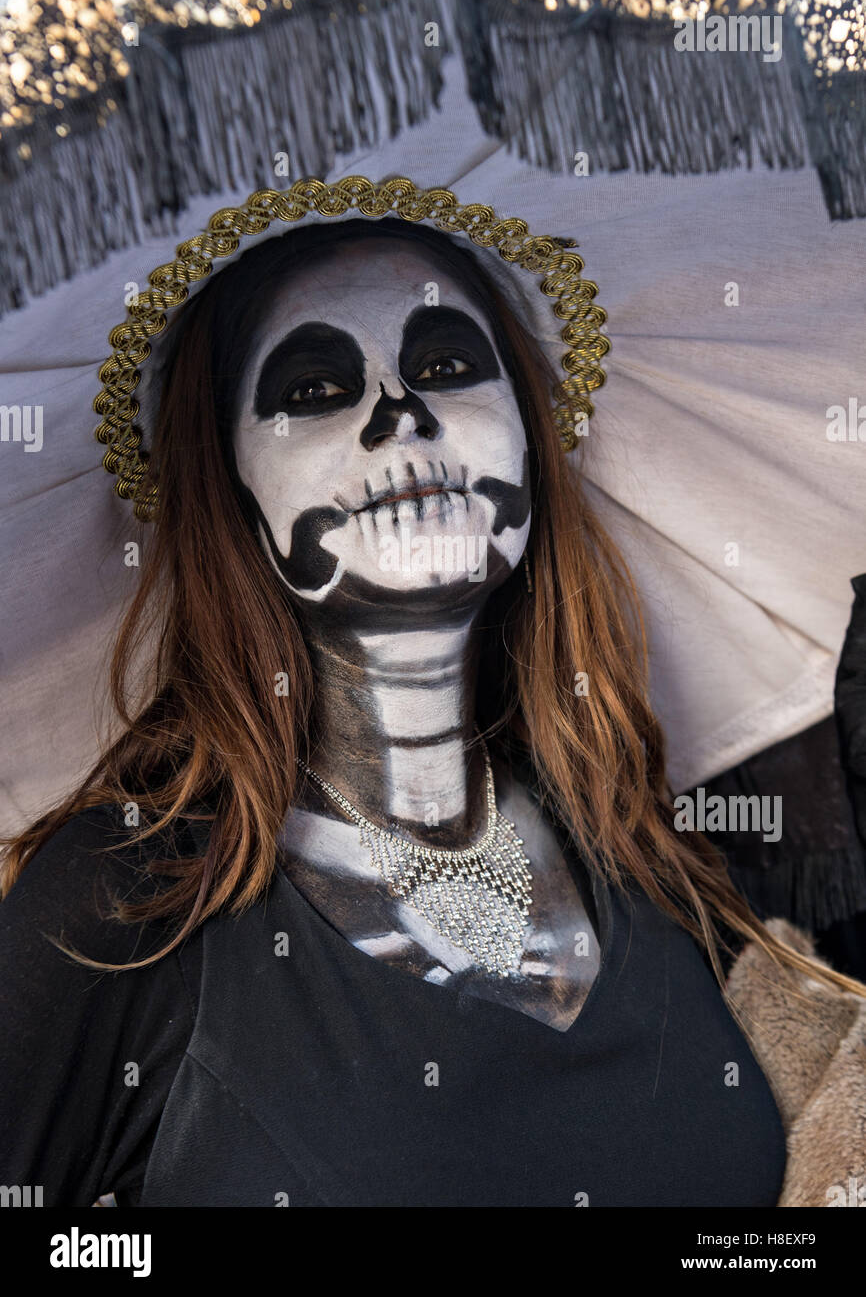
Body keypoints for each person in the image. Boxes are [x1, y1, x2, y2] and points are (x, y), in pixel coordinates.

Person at [1, 209, 864, 1208]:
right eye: (313, 389)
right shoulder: (125, 894)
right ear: (228, 488)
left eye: (447, 365)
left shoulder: (636, 840)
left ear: (528, 438)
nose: (400, 415)